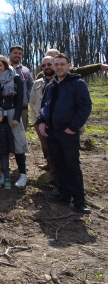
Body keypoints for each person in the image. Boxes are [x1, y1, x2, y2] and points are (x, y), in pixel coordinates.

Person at [37, 54, 92, 214]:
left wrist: (73, 127)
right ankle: (64, 193)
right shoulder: (50, 86)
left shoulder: (77, 83)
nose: (59, 67)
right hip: (52, 133)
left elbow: (85, 107)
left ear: (69, 66)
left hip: (68, 132)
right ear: (53, 67)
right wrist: (41, 121)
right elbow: (43, 107)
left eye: (62, 64)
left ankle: (79, 200)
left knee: (72, 165)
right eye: (56, 65)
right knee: (58, 163)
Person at [0, 54, 29, 187]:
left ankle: (23, 174)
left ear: (5, 65)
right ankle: (4, 173)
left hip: (13, 113)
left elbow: (19, 100)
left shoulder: (16, 78)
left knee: (18, 143)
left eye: (0, 65)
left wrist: (17, 117)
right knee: (2, 144)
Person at [29, 56, 56, 178]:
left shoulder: (61, 81)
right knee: (45, 146)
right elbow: (32, 102)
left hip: (56, 122)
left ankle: (57, 175)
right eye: (44, 66)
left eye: (49, 64)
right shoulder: (37, 83)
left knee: (55, 148)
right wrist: (35, 120)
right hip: (39, 121)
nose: (47, 67)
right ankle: (50, 165)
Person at [8, 45, 33, 128]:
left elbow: (31, 85)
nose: (17, 55)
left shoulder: (25, 70)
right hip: (8, 109)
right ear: (9, 54)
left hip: (23, 108)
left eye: (20, 53)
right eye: (15, 53)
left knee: (23, 134)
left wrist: (27, 97)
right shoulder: (4, 69)